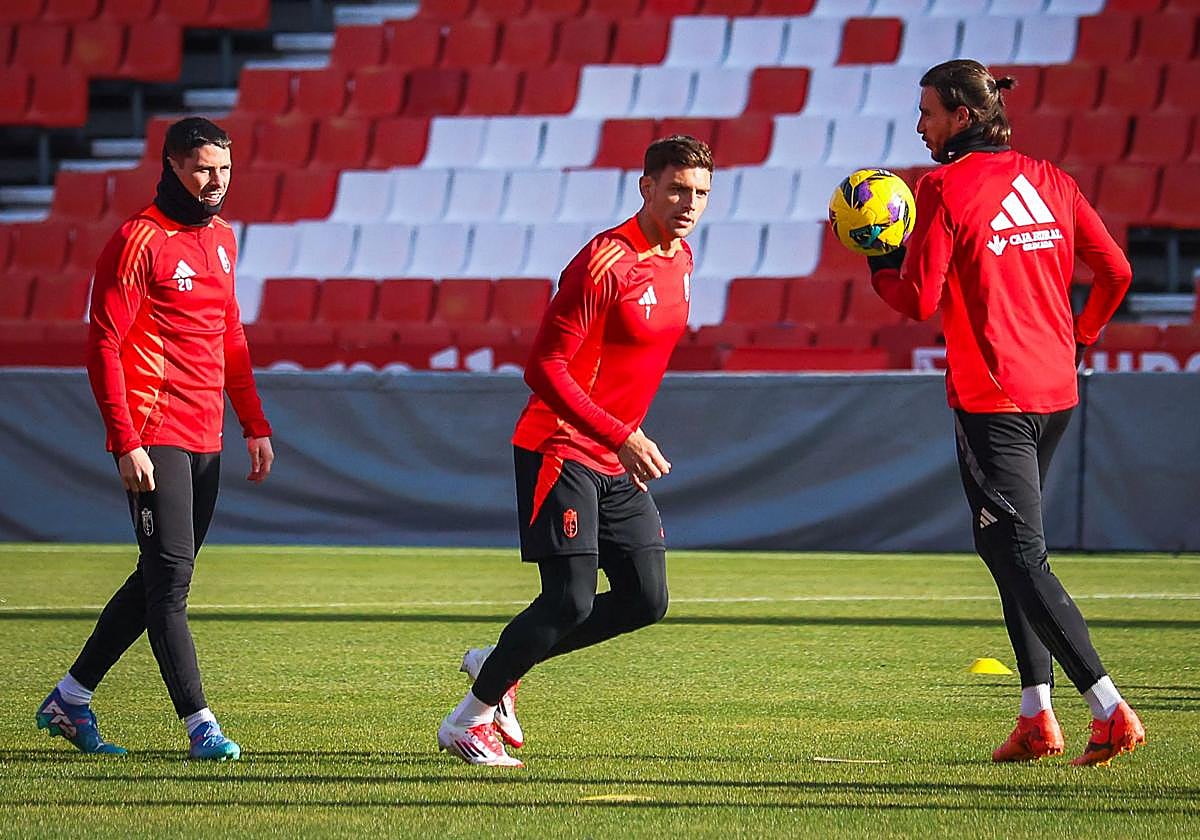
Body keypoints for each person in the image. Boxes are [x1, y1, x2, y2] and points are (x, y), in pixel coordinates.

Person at [869, 60, 1143, 766]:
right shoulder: (1051, 179)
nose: (920, 124)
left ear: (961, 115)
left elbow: (919, 299)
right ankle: (1035, 714)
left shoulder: (942, 187)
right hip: (1056, 392)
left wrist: (877, 261)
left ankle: (1108, 708)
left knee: (1019, 553)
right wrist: (1080, 337)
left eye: (927, 111)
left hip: (994, 399)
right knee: (1005, 550)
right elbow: (1116, 273)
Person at [437, 135, 712, 767]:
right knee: (570, 598)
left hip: (616, 457)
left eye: (699, 193)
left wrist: (622, 439)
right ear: (645, 186)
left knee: (646, 599)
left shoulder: (683, 258)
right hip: (560, 447)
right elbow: (544, 367)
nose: (688, 203)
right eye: (676, 189)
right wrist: (622, 433)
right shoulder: (604, 260)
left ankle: (502, 663)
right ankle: (468, 722)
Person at [35, 117, 274, 761]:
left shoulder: (222, 239)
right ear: (170, 165)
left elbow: (231, 337)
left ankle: (70, 699)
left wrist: (253, 423)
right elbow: (103, 344)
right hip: (154, 431)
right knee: (170, 582)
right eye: (202, 168)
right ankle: (201, 726)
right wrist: (125, 441)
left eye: (224, 169)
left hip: (208, 436)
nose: (215, 181)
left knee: (157, 578)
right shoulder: (137, 240)